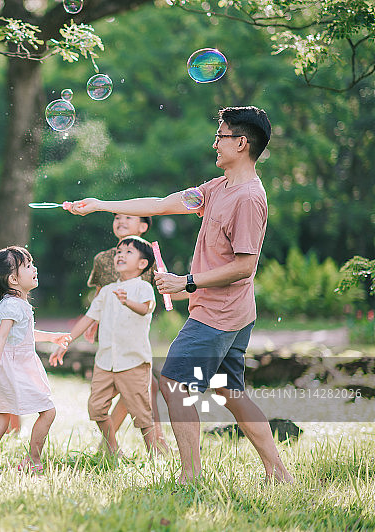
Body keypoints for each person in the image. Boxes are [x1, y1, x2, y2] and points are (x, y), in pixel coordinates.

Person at [67, 106, 293, 484]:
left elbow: (244, 267)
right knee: (230, 392)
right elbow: (160, 204)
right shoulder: (215, 188)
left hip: (218, 316)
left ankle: (190, 476)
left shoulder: (249, 199)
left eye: (220, 136)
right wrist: (102, 205)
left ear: (241, 143)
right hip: (230, 314)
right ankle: (279, 472)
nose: (214, 143)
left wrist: (186, 283)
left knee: (173, 383)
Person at [51, 237, 169, 457]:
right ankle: (112, 449)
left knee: (142, 415)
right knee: (96, 409)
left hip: (133, 362)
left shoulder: (143, 287)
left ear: (142, 264)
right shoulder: (106, 291)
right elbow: (88, 319)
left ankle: (157, 457)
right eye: (118, 252)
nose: (120, 255)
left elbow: (146, 308)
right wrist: (66, 341)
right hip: (105, 362)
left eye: (128, 252)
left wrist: (127, 302)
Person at [0, 246, 71, 472]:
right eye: (28, 266)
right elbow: (0, 337)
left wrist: (52, 337)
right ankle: (33, 460)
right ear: (13, 279)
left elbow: (21, 336)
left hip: (5, 367)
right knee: (48, 411)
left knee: (1, 421)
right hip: (9, 369)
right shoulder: (11, 305)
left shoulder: (14, 304)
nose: (34, 268)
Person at [84, 214, 166, 443]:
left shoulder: (151, 254)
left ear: (143, 226)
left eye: (129, 216)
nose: (121, 220)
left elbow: (162, 290)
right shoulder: (103, 259)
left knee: (142, 393)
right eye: (117, 217)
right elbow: (100, 293)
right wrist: (94, 322)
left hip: (135, 334)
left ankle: (156, 441)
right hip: (111, 338)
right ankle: (109, 444)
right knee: (116, 393)